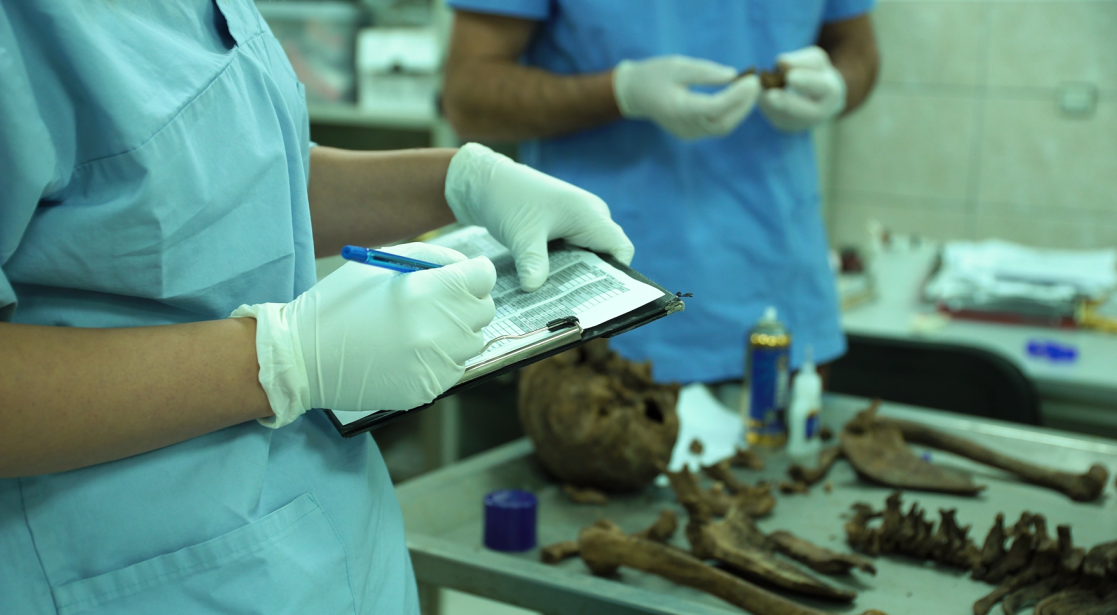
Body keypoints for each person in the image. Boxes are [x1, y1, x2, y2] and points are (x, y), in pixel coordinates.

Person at [0, 2, 632, 613]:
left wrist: (459, 180)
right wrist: (281, 358)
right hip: (133, 568)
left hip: (326, 543)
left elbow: (219, 185)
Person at [441, 1, 880, 386]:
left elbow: (857, 48)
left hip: (777, 293)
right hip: (601, 304)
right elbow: (467, 94)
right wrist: (620, 92)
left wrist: (839, 85)